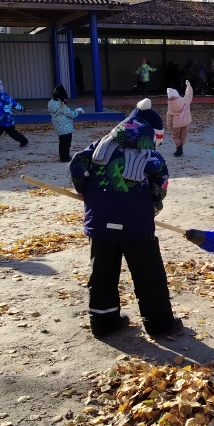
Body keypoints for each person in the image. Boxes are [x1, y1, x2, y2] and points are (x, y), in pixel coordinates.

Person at [69, 99, 181, 340]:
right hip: (136, 226)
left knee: (102, 274)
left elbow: (77, 163)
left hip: (100, 223)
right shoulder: (151, 157)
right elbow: (160, 186)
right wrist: (154, 207)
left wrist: (86, 192)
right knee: (148, 274)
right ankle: (159, 324)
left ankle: (104, 322)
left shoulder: (99, 147)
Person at [48, 84, 84, 162]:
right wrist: (77, 112)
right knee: (67, 143)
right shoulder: (61, 106)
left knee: (62, 142)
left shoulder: (52, 104)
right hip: (66, 127)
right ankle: (65, 157)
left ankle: (62, 156)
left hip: (59, 127)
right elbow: (71, 114)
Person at [0, 81, 29, 149]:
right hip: (8, 119)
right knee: (12, 132)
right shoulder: (9, 98)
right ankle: (23, 140)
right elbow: (15, 105)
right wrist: (22, 109)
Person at [165, 81, 193, 157]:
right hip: (185, 122)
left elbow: (169, 116)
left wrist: (169, 125)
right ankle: (181, 148)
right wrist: (188, 86)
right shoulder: (185, 101)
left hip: (176, 124)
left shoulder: (171, 105)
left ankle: (178, 147)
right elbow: (189, 94)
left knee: (176, 136)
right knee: (183, 136)